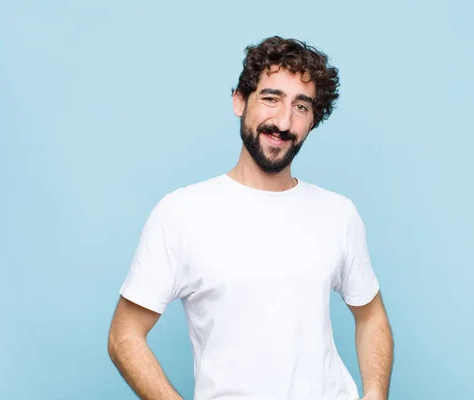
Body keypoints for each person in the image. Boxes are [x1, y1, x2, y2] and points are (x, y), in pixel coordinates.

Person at [107, 36, 394, 400]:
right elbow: (124, 334)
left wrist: (374, 394)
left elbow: (371, 316)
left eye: (301, 107)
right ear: (240, 101)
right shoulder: (181, 214)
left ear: (312, 121)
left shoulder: (339, 214)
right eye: (270, 99)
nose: (283, 121)